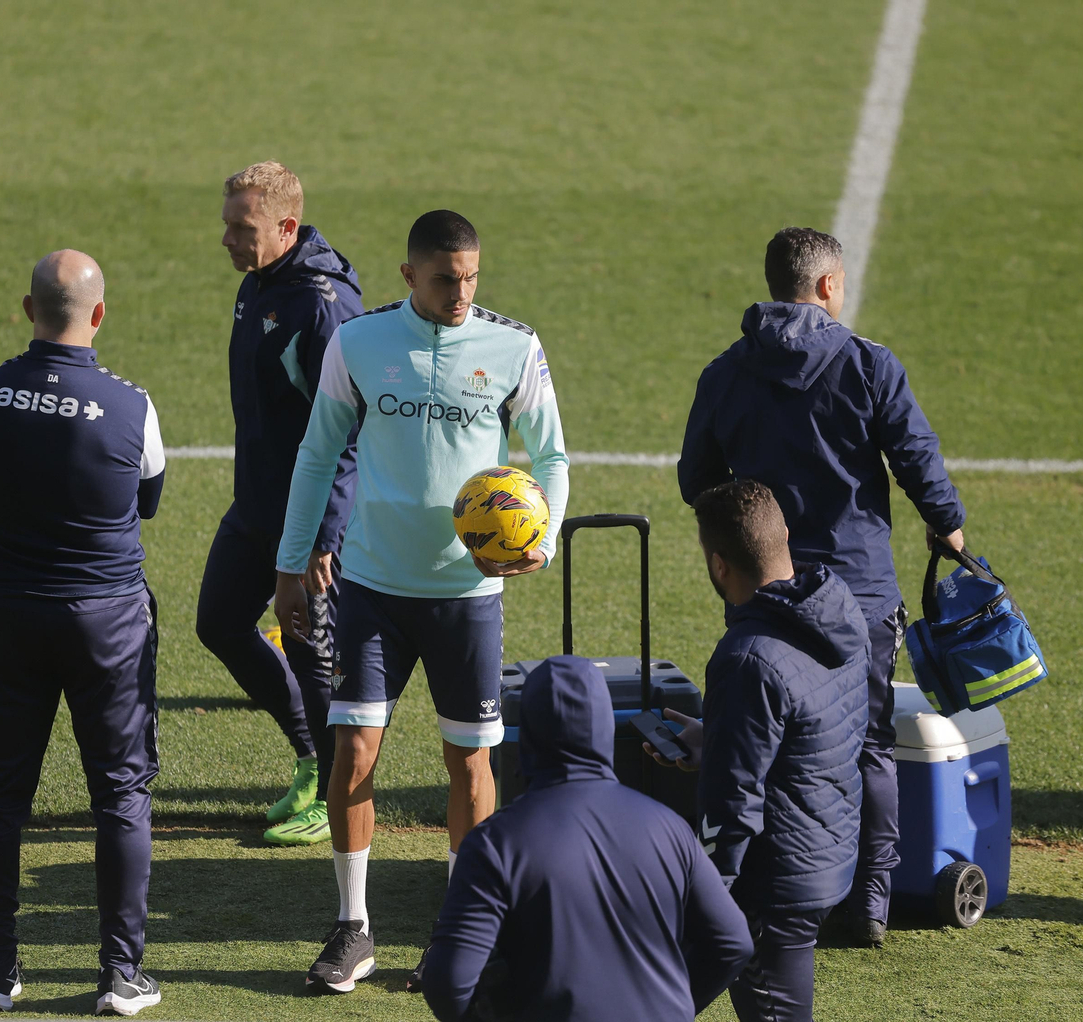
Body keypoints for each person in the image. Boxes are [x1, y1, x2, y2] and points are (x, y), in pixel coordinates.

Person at [273, 210, 571, 994]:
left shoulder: (514, 346)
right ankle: (353, 928)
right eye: (445, 279)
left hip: (466, 594)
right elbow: (315, 453)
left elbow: (551, 453)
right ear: (409, 275)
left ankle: (460, 929)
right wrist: (290, 564)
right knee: (354, 751)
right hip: (371, 587)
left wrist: (545, 535)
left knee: (469, 760)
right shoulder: (360, 342)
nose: (462, 292)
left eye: (472, 276)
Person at [677, 226, 967, 946]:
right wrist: (949, 525)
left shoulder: (724, 373)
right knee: (866, 743)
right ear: (829, 285)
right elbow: (914, 454)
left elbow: (696, 482)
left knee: (759, 738)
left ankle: (763, 888)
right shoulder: (869, 364)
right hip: (858, 592)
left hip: (757, 589)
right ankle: (868, 900)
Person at [0, 250, 165, 1016]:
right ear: (99, 314)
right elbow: (147, 500)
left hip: (12, 612)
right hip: (108, 620)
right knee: (121, 793)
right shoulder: (132, 406)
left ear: (27, 308)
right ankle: (120, 974)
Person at [420, 656, 754, 1022]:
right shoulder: (670, 828)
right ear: (605, 725)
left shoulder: (495, 843)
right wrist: (674, 1005)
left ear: (527, 730)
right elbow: (732, 943)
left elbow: (448, 983)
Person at [648, 480, 868, 1022]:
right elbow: (811, 730)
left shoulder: (747, 658)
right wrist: (718, 736)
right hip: (828, 851)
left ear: (720, 567)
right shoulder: (838, 610)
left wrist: (710, 894)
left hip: (775, 882)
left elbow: (733, 799)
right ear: (784, 536)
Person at [196, 161, 364, 847]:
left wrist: (324, 539)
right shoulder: (260, 282)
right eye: (228, 223)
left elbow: (350, 431)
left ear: (286, 227)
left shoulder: (321, 306)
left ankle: (334, 793)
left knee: (312, 657)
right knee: (220, 623)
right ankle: (307, 754)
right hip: (258, 503)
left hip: (311, 516)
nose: (229, 238)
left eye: (244, 227)